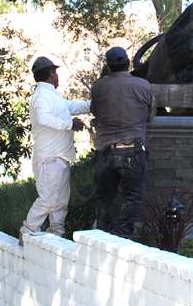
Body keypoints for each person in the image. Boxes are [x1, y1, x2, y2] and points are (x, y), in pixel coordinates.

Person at [19, 56, 90, 244]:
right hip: (48, 157)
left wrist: (94, 104)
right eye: (55, 72)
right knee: (48, 199)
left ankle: (56, 235)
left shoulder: (51, 95)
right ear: (51, 73)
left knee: (60, 202)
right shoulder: (41, 96)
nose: (57, 76)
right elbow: (43, 118)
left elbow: (70, 106)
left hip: (59, 156)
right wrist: (69, 124)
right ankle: (27, 231)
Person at [90, 46, 155, 238]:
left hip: (105, 151)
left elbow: (95, 111)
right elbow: (151, 116)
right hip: (133, 150)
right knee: (132, 197)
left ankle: (103, 236)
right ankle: (124, 236)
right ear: (127, 63)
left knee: (104, 199)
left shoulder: (98, 86)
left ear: (108, 66)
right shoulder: (143, 86)